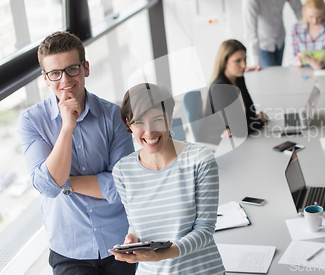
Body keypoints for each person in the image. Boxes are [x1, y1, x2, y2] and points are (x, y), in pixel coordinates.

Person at [17, 32, 136, 275]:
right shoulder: (31, 121)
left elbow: (121, 186)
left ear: (86, 68)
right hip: (70, 248)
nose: (65, 80)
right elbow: (48, 187)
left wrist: (65, 182)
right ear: (46, 78)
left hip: (120, 242)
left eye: (72, 69)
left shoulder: (114, 116)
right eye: (55, 73)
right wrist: (66, 128)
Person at [109, 83, 225, 275]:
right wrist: (132, 238)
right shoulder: (122, 171)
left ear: (170, 118)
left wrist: (163, 254)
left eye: (157, 120)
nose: (149, 132)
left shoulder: (200, 159)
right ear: (129, 123)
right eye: (139, 122)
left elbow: (205, 230)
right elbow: (137, 224)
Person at [243, 0, 302, 69]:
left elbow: (298, 8)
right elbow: (251, 29)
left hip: (280, 39)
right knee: (270, 78)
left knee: (278, 72)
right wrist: (255, 62)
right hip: (263, 44)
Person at [205, 39, 267, 138]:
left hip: (236, 138)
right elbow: (240, 131)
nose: (244, 65)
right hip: (220, 141)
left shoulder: (238, 78)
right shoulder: (220, 88)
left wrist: (249, 122)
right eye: (237, 61)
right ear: (224, 62)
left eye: (245, 59)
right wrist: (260, 120)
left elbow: (251, 112)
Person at [291, 0, 325, 69]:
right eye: (311, 17)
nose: (314, 21)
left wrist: (320, 66)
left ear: (324, 12)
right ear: (304, 11)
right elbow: (292, 57)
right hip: (302, 70)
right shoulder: (295, 28)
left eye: (318, 17)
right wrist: (297, 62)